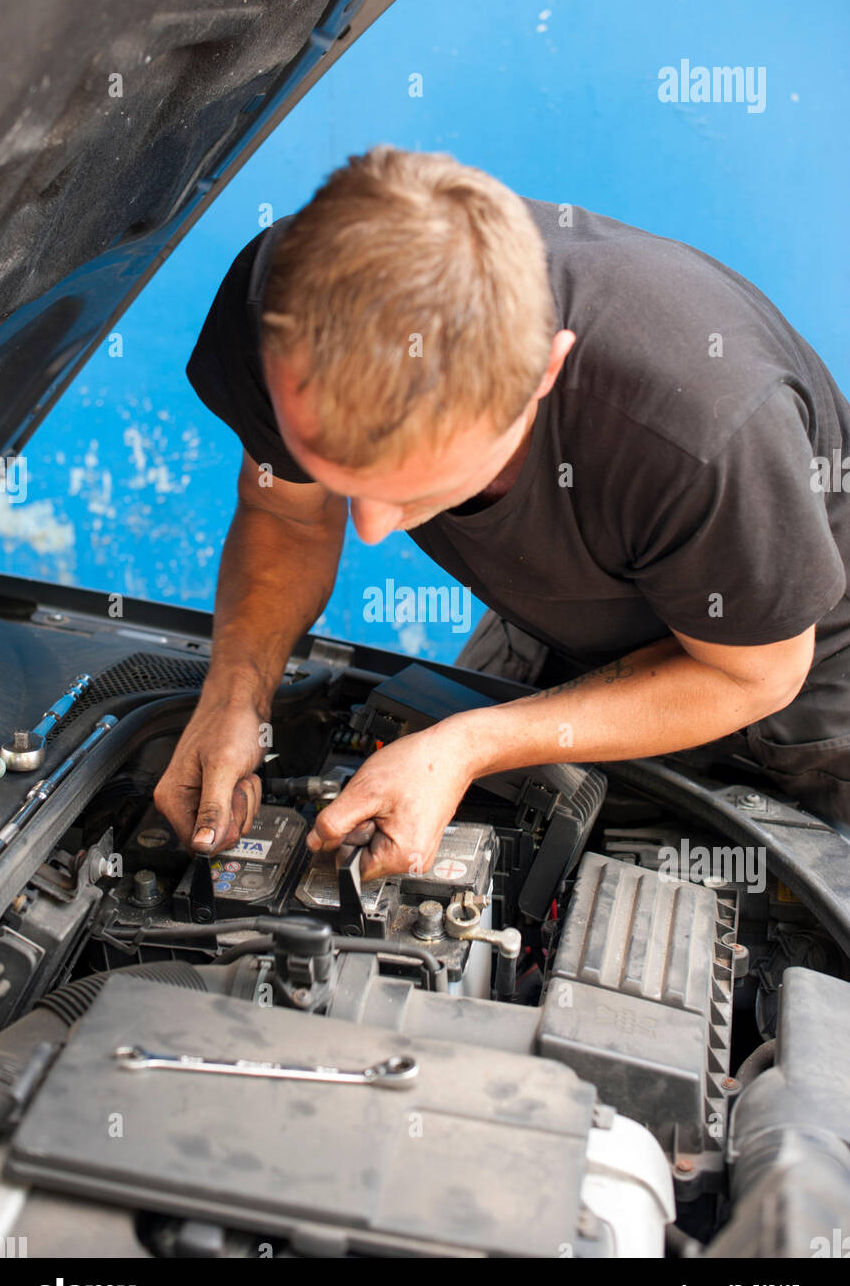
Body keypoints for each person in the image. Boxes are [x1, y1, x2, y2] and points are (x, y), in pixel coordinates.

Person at [154, 145, 850, 878]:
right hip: (567, 615)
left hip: (797, 683)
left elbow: (756, 675)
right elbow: (289, 518)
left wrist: (470, 743)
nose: (372, 527)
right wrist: (235, 698)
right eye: (345, 479)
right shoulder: (286, 309)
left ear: (543, 372)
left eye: (419, 489)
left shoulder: (699, 426)